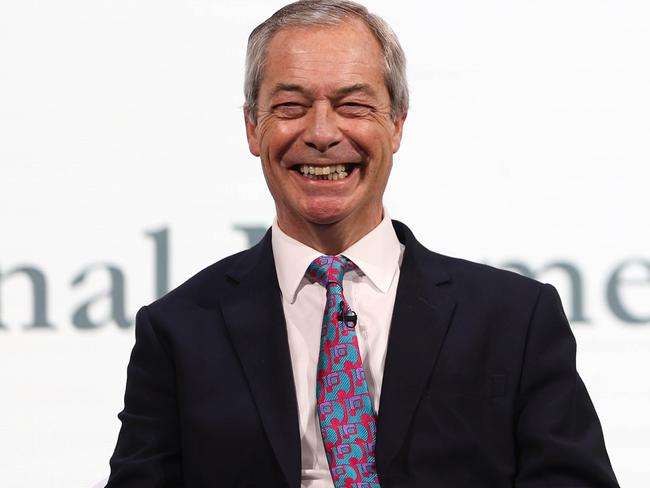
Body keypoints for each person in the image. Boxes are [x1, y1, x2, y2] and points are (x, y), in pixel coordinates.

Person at [106, 1, 619, 487]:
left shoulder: (515, 319)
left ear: (397, 123)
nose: (323, 133)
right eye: (290, 106)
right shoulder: (178, 330)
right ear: (252, 129)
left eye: (353, 105)